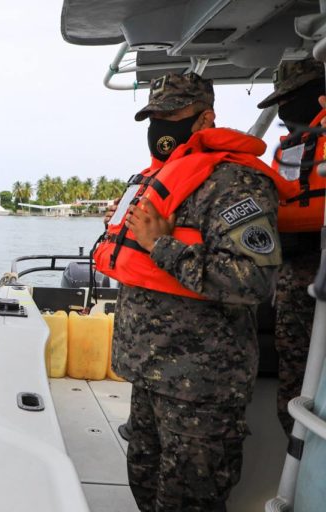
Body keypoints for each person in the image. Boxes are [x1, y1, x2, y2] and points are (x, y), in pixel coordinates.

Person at [94, 72, 285, 510]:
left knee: (188, 501)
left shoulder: (235, 183)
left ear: (205, 119)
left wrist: (161, 245)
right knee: (144, 485)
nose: (161, 126)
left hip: (200, 385)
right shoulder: (158, 178)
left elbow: (254, 281)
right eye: (154, 117)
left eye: (172, 115)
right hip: (149, 373)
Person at [257, 57, 326, 435]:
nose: (284, 109)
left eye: (292, 98)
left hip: (320, 271)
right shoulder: (287, 149)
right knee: (294, 387)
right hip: (292, 281)